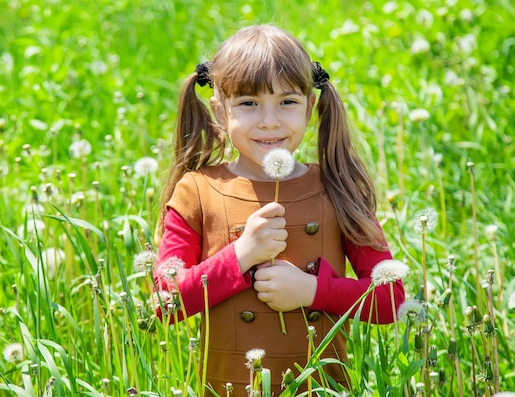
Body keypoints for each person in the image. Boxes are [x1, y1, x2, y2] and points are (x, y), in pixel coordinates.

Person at [154, 24, 405, 396]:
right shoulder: (198, 190)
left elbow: (390, 301)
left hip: (320, 389)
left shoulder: (335, 187)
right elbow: (165, 303)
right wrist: (241, 255)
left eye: (287, 101)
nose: (270, 120)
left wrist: (312, 291)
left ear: (309, 108)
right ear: (220, 112)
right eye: (249, 103)